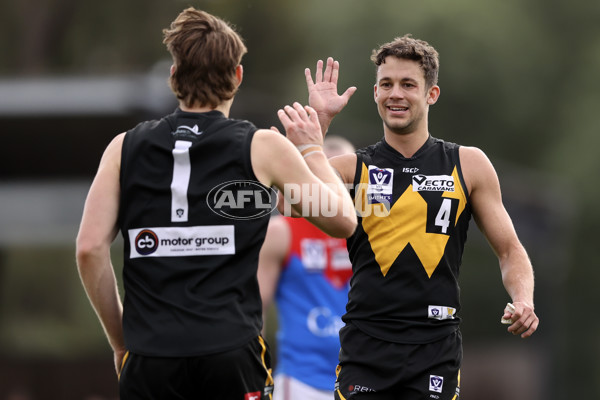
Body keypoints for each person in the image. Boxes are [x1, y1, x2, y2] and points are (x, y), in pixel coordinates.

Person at [75, 7, 356, 400]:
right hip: (231, 353)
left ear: (174, 77)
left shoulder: (123, 148)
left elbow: (89, 249)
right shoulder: (263, 147)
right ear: (238, 77)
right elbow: (343, 219)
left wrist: (122, 341)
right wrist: (312, 146)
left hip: (150, 356)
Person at [302, 36, 540, 399]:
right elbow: (296, 193)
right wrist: (319, 121)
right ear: (375, 93)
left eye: (408, 84)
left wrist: (524, 299)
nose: (395, 93)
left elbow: (510, 250)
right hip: (365, 349)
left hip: (435, 350)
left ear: (432, 94)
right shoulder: (350, 169)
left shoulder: (469, 164)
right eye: (386, 84)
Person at [257, 136, 355, 400]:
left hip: (363, 376)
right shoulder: (281, 231)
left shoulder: (370, 231)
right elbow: (255, 307)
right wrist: (254, 372)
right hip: (301, 380)